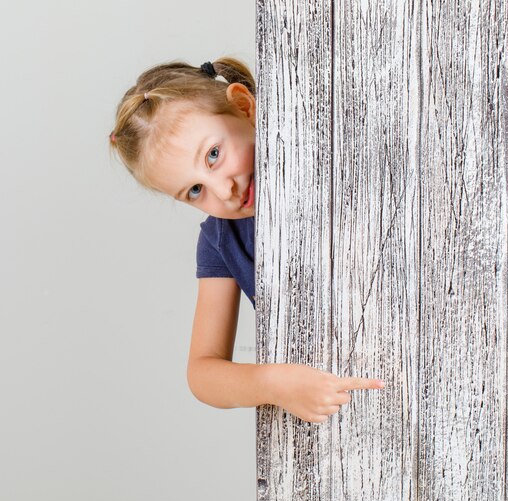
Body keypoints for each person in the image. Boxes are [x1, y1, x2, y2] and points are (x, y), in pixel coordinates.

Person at [109, 57, 385, 423]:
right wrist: (276, 383)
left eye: (213, 155)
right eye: (194, 190)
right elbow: (202, 373)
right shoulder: (221, 240)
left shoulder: (330, 157)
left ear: (243, 106)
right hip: (346, 414)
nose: (223, 190)